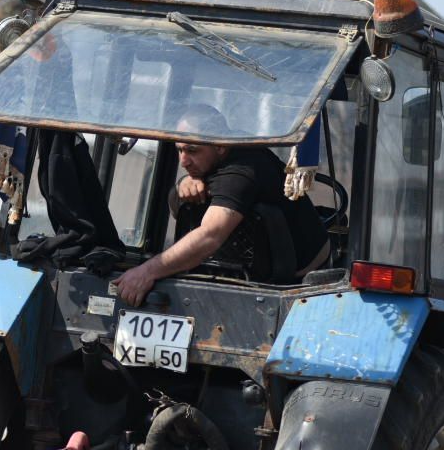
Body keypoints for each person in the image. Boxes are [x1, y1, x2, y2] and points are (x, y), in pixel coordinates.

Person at [117, 104, 330, 306]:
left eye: (192, 150)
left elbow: (210, 235)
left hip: (300, 280)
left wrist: (146, 272)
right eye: (179, 150)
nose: (183, 161)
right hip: (237, 266)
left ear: (220, 145)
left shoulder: (243, 170)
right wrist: (184, 184)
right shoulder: (212, 160)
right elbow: (180, 210)